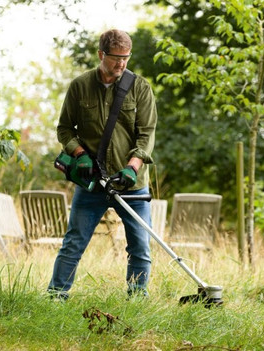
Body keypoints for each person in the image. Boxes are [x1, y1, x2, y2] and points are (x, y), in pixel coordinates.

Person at [48, 29, 158, 299]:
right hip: (93, 182)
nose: (121, 63)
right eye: (115, 58)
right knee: (73, 243)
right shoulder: (80, 86)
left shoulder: (140, 88)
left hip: (131, 184)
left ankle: (136, 300)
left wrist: (132, 167)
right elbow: (64, 129)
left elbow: (147, 135)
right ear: (101, 55)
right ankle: (55, 297)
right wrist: (78, 153)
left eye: (126, 58)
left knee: (140, 246)